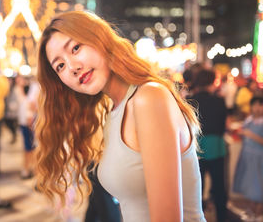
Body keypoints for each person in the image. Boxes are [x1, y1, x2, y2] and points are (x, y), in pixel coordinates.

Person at [35, 11, 206, 222]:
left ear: (100, 38)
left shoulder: (148, 98)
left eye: (76, 48)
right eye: (60, 66)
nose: (73, 68)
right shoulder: (113, 111)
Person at [187, 68, 228, 222]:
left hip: (197, 147)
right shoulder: (219, 100)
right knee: (219, 187)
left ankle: (197, 217)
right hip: (216, 146)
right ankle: (222, 217)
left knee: (197, 186)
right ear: (212, 82)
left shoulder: (190, 100)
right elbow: (223, 126)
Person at [233, 96, 263, 220]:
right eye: (255, 105)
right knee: (248, 187)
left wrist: (248, 134)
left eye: (260, 105)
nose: (257, 108)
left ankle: (258, 214)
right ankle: (251, 212)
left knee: (259, 187)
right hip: (246, 156)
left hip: (259, 158)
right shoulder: (248, 120)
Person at [15, 75, 36, 179]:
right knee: (29, 148)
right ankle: (27, 169)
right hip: (26, 123)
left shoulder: (32, 89)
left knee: (31, 148)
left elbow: (31, 107)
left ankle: (30, 169)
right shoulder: (20, 92)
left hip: (29, 123)